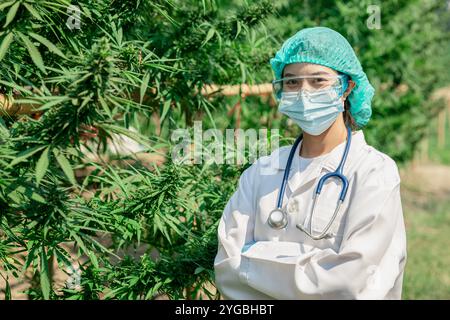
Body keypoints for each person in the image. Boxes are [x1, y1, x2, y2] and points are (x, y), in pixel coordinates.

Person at [213, 27, 407, 300]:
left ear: (346, 87)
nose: (304, 92)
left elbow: (352, 283)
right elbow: (227, 267)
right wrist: (318, 266)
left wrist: (256, 260)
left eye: (318, 80)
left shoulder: (375, 172)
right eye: (291, 82)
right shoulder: (261, 171)